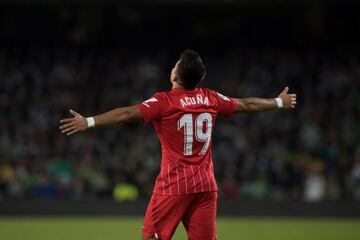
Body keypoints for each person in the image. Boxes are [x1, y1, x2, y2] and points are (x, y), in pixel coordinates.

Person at [59, 49, 297, 240]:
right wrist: (278, 102)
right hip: (205, 186)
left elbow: (127, 114)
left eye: (175, 65)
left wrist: (88, 121)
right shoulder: (210, 98)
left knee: (151, 237)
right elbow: (246, 105)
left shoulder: (165, 102)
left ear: (175, 76)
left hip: (174, 185)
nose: (172, 67)